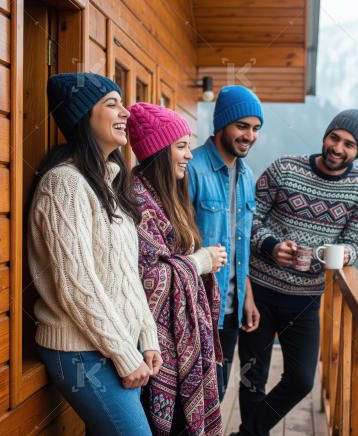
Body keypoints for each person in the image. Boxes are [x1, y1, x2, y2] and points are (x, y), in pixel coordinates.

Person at [28, 73, 161, 436]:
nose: (126, 113)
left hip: (114, 344)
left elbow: (126, 273)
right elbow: (77, 284)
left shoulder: (110, 183)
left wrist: (146, 336)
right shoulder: (64, 183)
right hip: (79, 351)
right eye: (112, 104)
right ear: (83, 117)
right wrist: (124, 352)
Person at [236, 109, 358, 436]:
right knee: (252, 377)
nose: (338, 148)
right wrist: (271, 245)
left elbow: (357, 242)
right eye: (334, 138)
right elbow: (246, 219)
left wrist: (341, 254)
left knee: (301, 380)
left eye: (349, 144)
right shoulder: (285, 168)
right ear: (325, 135)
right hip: (257, 292)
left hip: (305, 299)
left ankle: (247, 433)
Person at [127, 102, 226, 436]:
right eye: (181, 146)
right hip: (153, 345)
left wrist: (199, 260)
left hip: (180, 336)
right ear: (159, 152)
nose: (189, 155)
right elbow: (147, 278)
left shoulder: (166, 195)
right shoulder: (137, 201)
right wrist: (199, 262)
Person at [187, 85, 263, 401]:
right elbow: (177, 241)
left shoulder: (247, 176)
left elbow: (239, 247)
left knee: (216, 395)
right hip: (196, 308)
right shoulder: (192, 168)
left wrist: (247, 295)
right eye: (242, 126)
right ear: (222, 124)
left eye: (255, 128)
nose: (249, 136)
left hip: (230, 310)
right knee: (194, 398)